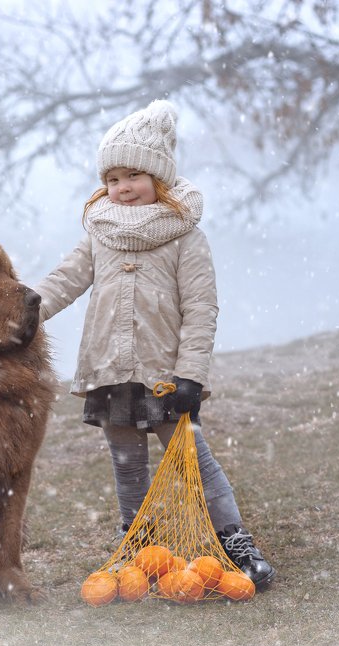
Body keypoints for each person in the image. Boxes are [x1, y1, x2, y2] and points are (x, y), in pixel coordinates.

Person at [34, 99, 276, 588]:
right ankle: (137, 546)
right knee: (127, 466)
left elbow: (201, 310)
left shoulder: (185, 237)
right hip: (110, 369)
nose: (122, 189)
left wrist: (190, 375)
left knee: (194, 463)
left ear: (159, 177)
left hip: (165, 377)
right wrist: (21, 311)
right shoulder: (98, 234)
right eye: (112, 179)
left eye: (133, 176)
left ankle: (235, 542)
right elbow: (63, 281)